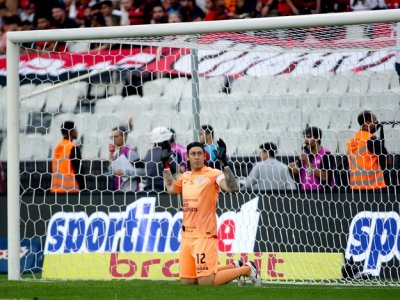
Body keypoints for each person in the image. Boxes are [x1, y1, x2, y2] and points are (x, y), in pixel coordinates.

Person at [163, 139, 261, 286]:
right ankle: (234, 266)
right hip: (187, 237)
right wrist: (165, 165)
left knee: (206, 282)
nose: (196, 157)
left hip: (205, 236)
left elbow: (232, 188)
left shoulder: (213, 174)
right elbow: (170, 188)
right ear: (188, 157)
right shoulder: (185, 177)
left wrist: (225, 164)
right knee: (188, 282)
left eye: (199, 154)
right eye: (193, 154)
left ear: (205, 156)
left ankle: (246, 269)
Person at [346, 110, 390, 190]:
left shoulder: (351, 141)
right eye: (375, 120)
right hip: (374, 187)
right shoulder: (371, 139)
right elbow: (388, 162)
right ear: (367, 122)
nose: (377, 122)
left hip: (356, 186)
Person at [288, 126, 336, 190]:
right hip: (304, 194)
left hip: (322, 195)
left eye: (309, 137)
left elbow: (324, 177)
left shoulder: (326, 155)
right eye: (305, 137)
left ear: (317, 138)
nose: (306, 140)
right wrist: (290, 168)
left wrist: (308, 163)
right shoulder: (304, 154)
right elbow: (296, 174)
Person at [50, 121, 85, 193]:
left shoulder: (58, 148)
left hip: (55, 190)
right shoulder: (73, 147)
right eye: (75, 129)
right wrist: (83, 190)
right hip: (71, 190)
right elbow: (79, 171)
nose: (77, 132)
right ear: (71, 132)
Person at [108, 126, 144, 191]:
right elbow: (113, 174)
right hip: (119, 192)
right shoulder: (115, 154)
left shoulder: (131, 152)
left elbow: (143, 171)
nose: (113, 139)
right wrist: (111, 164)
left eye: (116, 136)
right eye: (112, 137)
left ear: (124, 137)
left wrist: (124, 172)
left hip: (131, 192)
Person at [143, 127, 178, 191]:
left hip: (148, 190)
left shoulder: (149, 153)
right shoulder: (167, 153)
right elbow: (178, 169)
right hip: (164, 191)